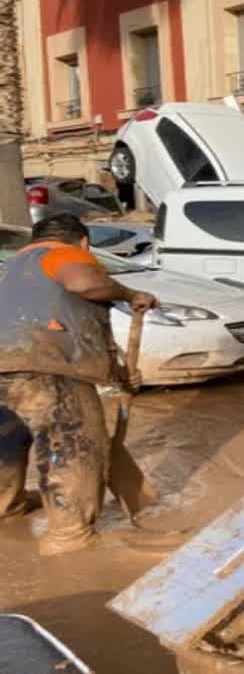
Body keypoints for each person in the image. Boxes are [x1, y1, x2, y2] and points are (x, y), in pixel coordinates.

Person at [0, 215, 158, 555]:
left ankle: (6, 510)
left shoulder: (13, 268)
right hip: (46, 370)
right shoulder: (62, 252)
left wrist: (118, 373)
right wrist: (130, 293)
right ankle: (69, 538)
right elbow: (83, 284)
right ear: (84, 242)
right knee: (71, 448)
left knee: (6, 448)